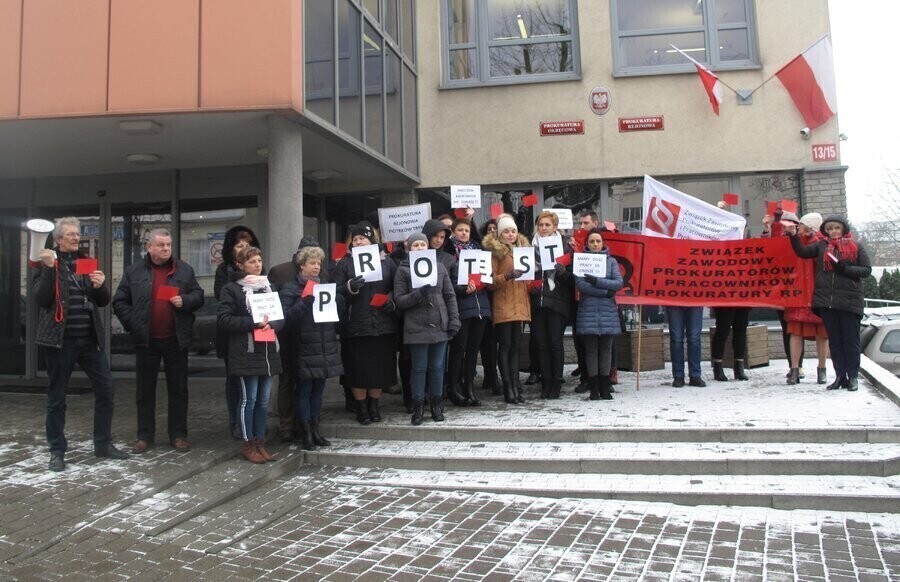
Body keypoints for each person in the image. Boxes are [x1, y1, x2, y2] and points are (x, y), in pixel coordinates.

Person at [33, 217, 129, 471]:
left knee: (106, 390)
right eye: (71, 234)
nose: (76, 238)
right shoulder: (45, 262)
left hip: (89, 340)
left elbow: (101, 300)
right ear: (58, 239)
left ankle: (103, 444)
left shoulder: (85, 262)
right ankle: (57, 450)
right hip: (59, 341)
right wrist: (49, 268)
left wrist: (100, 286)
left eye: (78, 234)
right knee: (57, 398)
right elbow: (41, 299)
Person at [113, 228, 204, 453]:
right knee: (144, 391)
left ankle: (178, 435)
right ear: (149, 247)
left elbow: (199, 295)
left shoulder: (183, 269)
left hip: (175, 339)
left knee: (178, 390)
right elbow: (120, 301)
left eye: (168, 245)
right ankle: (144, 436)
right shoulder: (134, 272)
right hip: (146, 340)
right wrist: (133, 323)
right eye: (161, 245)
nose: (166, 249)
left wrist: (185, 300)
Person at [790, 215, 871, 391]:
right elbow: (802, 252)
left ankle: (853, 376)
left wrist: (845, 269)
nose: (833, 231)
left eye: (836, 228)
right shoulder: (822, 246)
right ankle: (840, 376)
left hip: (849, 302)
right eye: (829, 229)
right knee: (835, 341)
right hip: (827, 302)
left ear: (843, 229)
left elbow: (866, 270)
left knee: (851, 341)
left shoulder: (856, 246)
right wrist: (793, 236)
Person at [217, 246, 282, 463]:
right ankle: (248, 443)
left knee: (263, 401)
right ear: (241, 265)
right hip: (246, 351)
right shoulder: (232, 289)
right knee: (249, 399)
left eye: (259, 260)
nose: (257, 264)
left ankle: (260, 441)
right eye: (252, 261)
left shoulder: (267, 287)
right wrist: (253, 323)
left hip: (267, 351)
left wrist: (272, 323)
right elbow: (224, 319)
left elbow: (280, 318)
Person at [331, 222, 398, 425]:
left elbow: (398, 285)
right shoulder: (344, 263)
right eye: (356, 238)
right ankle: (361, 407)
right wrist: (349, 287)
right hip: (356, 326)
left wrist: (391, 300)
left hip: (382, 325)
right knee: (358, 370)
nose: (359, 241)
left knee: (378, 369)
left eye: (363, 238)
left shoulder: (388, 262)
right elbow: (334, 292)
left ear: (372, 240)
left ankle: (374, 405)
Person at [393, 232, 460, 425]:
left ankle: (437, 405)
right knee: (419, 368)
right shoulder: (403, 270)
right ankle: (418, 406)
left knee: (437, 367)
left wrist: (454, 321)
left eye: (423, 244)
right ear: (409, 249)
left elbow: (449, 296)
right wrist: (419, 293)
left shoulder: (439, 267)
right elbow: (399, 300)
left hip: (439, 324)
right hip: (416, 327)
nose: (420, 248)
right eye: (416, 245)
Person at [281, 246, 344, 449]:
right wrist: (304, 302)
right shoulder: (291, 288)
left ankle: (316, 429)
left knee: (318, 390)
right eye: (312, 263)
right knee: (304, 390)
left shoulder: (325, 285)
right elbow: (285, 319)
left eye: (318, 263)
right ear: (302, 266)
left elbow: (337, 312)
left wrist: (339, 299)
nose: (317, 266)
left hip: (324, 344)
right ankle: (305, 431)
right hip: (304, 346)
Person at [268, 235, 320, 442]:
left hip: (312, 336)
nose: (316, 263)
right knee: (288, 380)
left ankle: (305, 423)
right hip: (288, 335)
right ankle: (287, 424)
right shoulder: (280, 272)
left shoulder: (321, 271)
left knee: (308, 382)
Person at [214, 225, 261, 440]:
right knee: (234, 381)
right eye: (239, 245)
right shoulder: (224, 271)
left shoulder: (259, 271)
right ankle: (236, 421)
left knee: (256, 384)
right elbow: (221, 300)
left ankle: (255, 426)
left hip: (258, 336)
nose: (244, 247)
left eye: (248, 244)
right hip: (234, 337)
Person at [482, 214, 531, 404]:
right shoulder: (496, 253)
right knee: (505, 347)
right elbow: (490, 282)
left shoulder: (523, 251)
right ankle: (508, 388)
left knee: (516, 348)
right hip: (503, 305)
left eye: (513, 231)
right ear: (500, 234)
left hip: (520, 305)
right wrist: (508, 275)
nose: (510, 235)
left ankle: (515, 386)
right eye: (506, 231)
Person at [446, 218, 491, 406]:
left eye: (467, 230)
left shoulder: (478, 250)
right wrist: (463, 289)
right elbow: (447, 284)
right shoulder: (450, 252)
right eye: (460, 230)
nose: (464, 233)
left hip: (480, 305)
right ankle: (453, 386)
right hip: (462, 305)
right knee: (459, 348)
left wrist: (487, 280)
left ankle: (469, 388)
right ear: (453, 231)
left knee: (473, 349)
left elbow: (488, 276)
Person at [574, 229, 624, 400]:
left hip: (607, 311)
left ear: (603, 243)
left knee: (606, 350)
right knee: (591, 350)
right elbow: (581, 284)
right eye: (592, 241)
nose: (595, 244)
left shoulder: (611, 262)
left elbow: (618, 283)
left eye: (598, 241)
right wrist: (605, 291)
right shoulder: (582, 261)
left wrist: (597, 281)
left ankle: (604, 384)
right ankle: (594, 387)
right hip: (588, 310)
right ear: (587, 244)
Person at [529, 210, 573, 399]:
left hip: (558, 302)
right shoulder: (529, 248)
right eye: (541, 225)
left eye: (547, 225)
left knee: (555, 343)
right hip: (537, 301)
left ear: (555, 227)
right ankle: (545, 382)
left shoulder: (565, 247)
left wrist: (562, 273)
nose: (544, 228)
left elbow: (574, 280)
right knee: (541, 344)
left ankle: (556, 383)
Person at [784, 213, 830, 385]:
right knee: (795, 332)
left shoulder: (821, 243)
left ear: (810, 227)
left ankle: (822, 369)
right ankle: (794, 369)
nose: (799, 226)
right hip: (798, 293)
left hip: (816, 294)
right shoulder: (796, 239)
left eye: (802, 224)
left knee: (822, 334)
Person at [571, 209, 601, 392]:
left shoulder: (600, 244)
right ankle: (586, 377)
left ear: (595, 224)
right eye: (580, 223)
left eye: (585, 223)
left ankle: (603, 379)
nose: (582, 227)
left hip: (600, 303)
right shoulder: (575, 244)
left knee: (602, 343)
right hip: (578, 301)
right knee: (581, 341)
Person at [666, 302, 705, 387]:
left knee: (694, 338)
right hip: (674, 300)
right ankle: (678, 376)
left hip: (695, 299)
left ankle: (694, 375)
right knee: (676, 338)